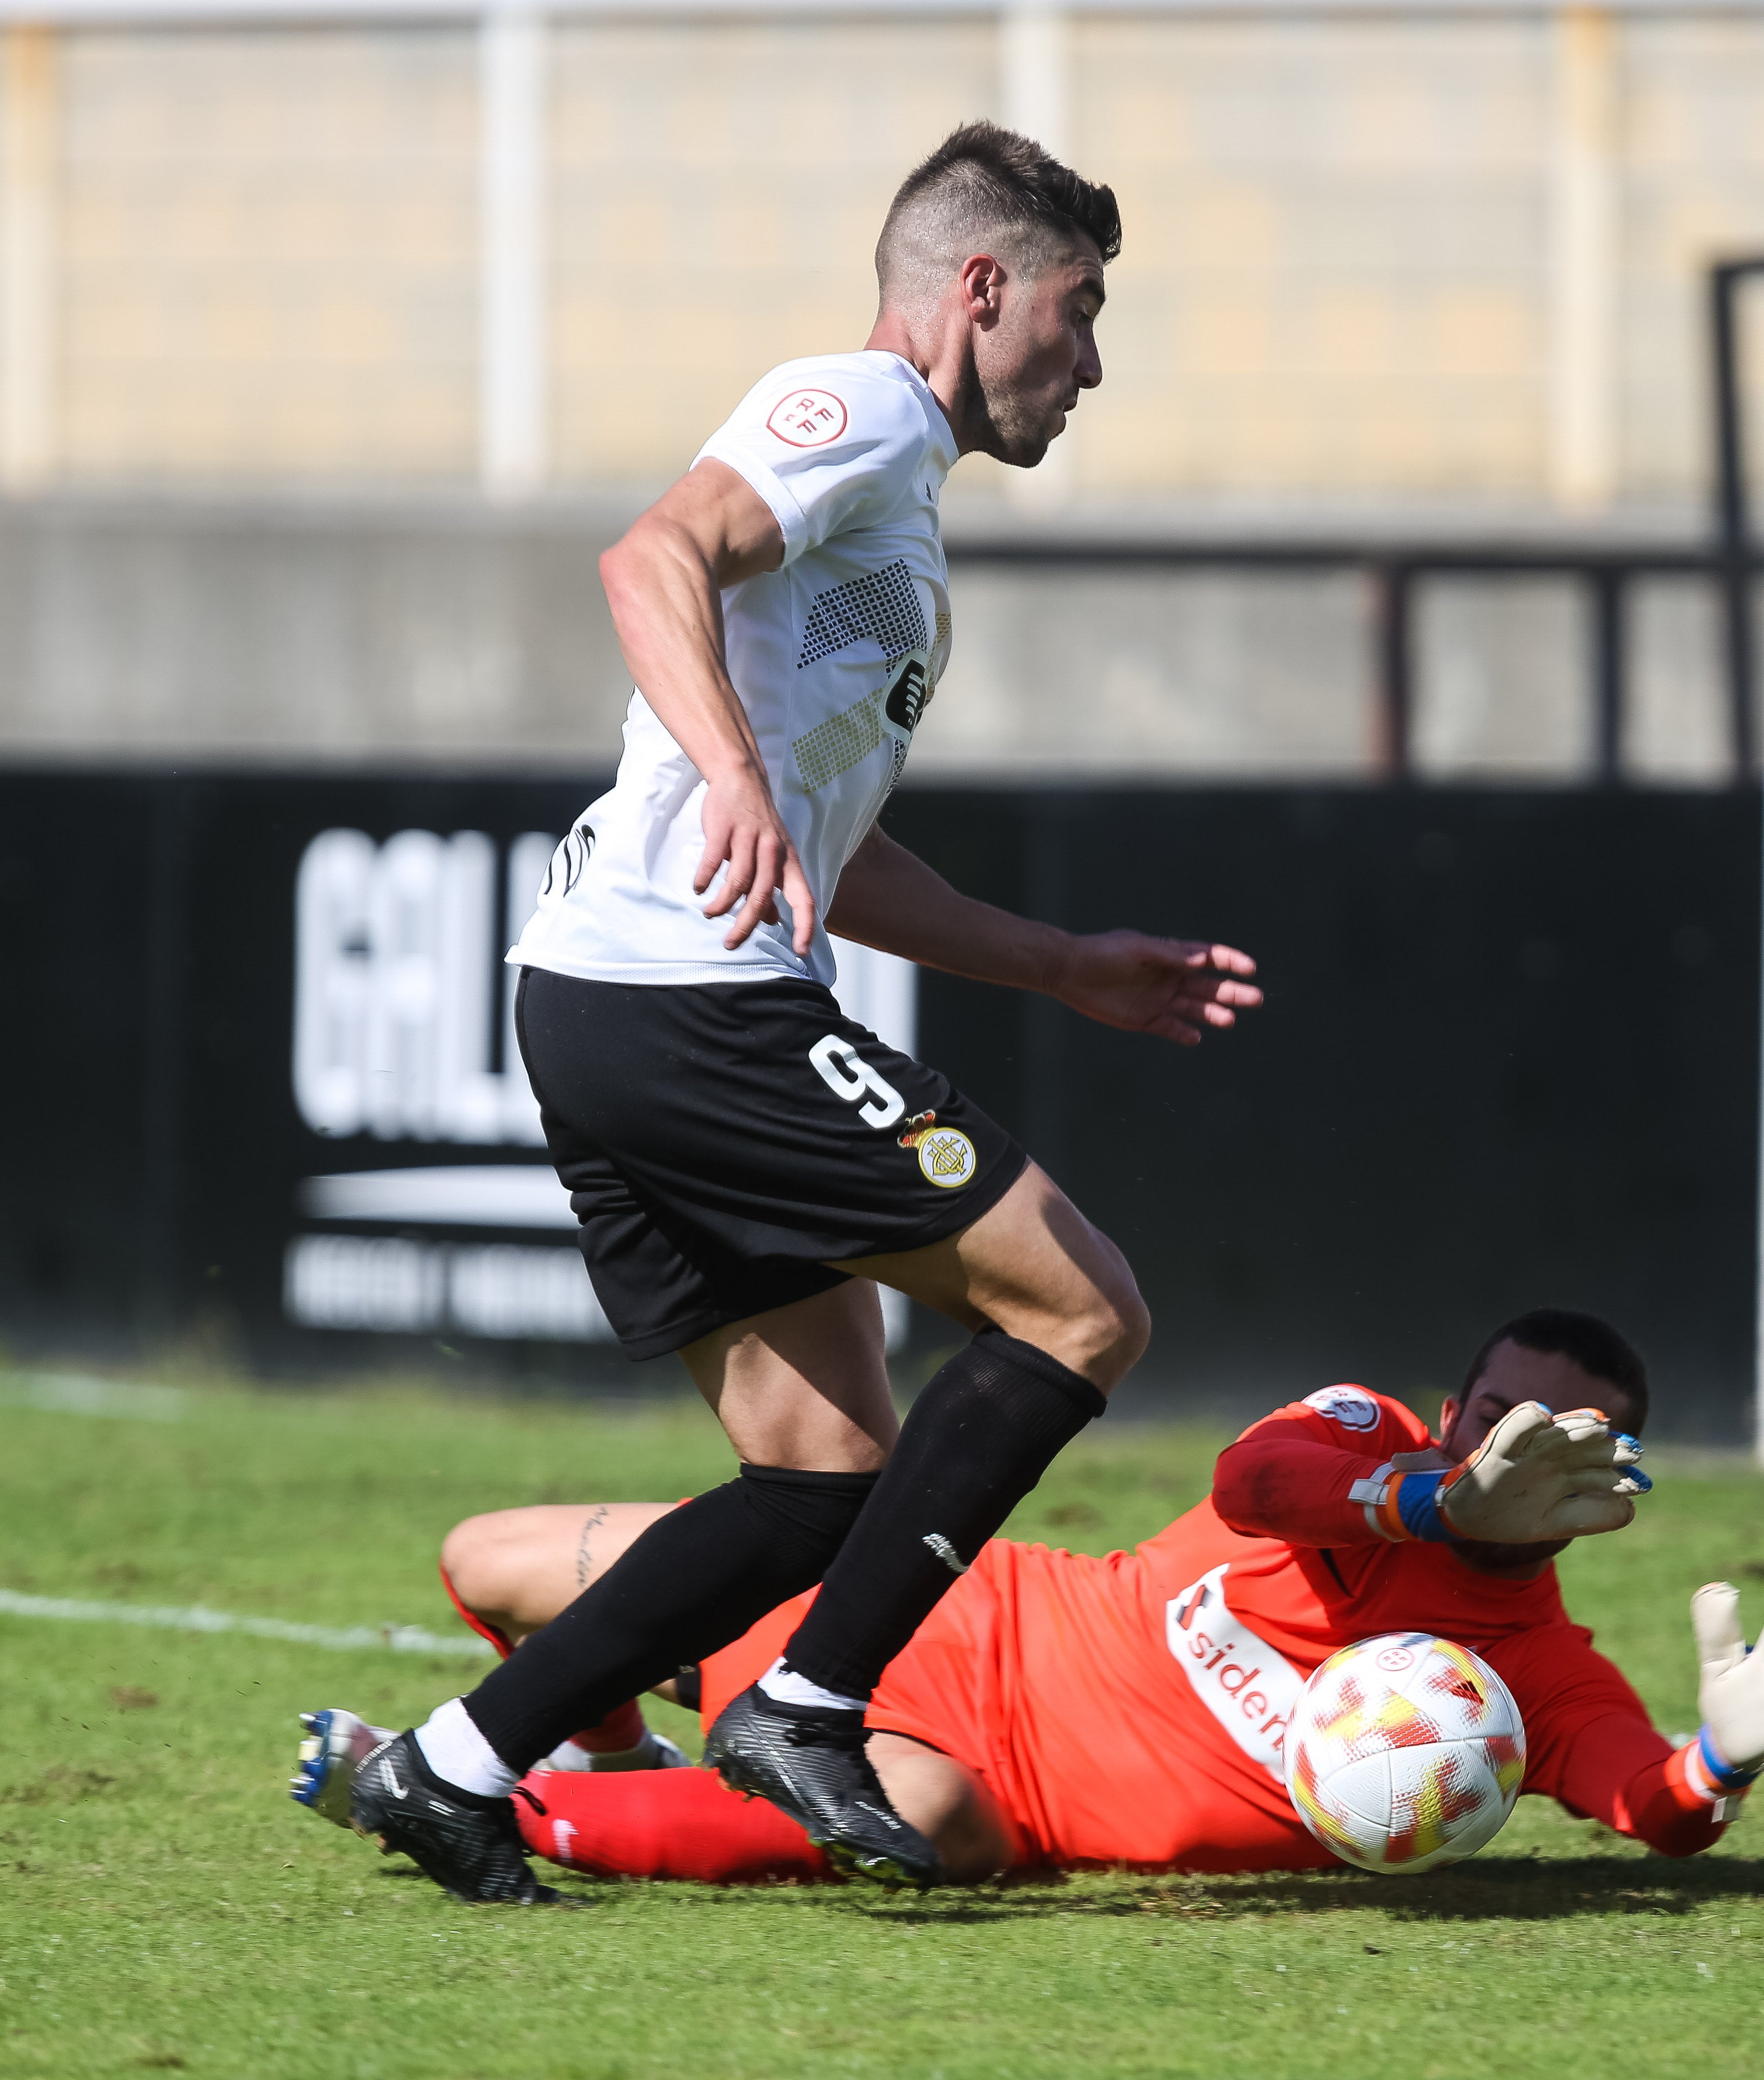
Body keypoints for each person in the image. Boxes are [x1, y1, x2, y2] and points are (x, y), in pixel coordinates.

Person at [341, 121, 1274, 1904]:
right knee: (1086, 1311)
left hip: (612, 1004)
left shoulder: (896, 500)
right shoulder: (851, 412)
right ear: (979, 291)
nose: (1091, 364)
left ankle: (455, 1769)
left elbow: (833, 853)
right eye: (1076, 316)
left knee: (827, 1468)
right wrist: (731, 776)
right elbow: (646, 560)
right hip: (685, 1003)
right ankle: (809, 1704)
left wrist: (1062, 961)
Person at [301, 1311, 1764, 1885]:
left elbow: (1645, 1802)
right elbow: (1257, 1480)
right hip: (925, 1608)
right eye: (1489, 1407)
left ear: (1613, 1475)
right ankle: (609, 1751)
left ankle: (464, 1797)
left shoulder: (1536, 1677)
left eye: (1552, 1430)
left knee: (931, 1826)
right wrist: (1437, 1497)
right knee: (482, 1560)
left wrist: (1716, 1762)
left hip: (1003, 1790)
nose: (1504, 1437)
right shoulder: (1373, 1439)